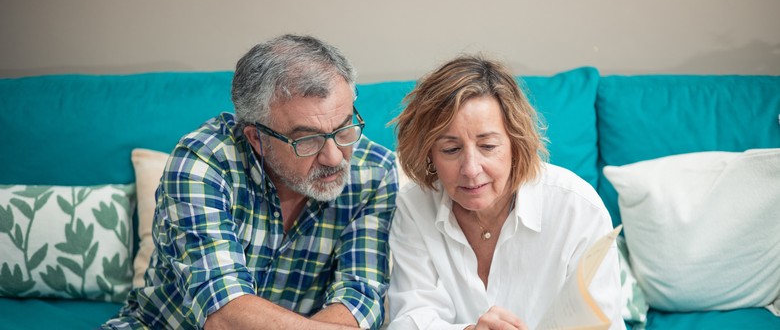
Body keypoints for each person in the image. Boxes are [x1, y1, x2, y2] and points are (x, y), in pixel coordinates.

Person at [103, 34, 398, 330]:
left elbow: (360, 297)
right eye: (308, 140)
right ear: (257, 138)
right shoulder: (202, 163)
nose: (334, 158)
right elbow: (224, 315)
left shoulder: (375, 172)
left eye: (345, 127)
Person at [386, 55, 624, 330]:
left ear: (516, 143)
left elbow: (603, 324)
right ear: (429, 154)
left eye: (488, 146)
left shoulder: (578, 208)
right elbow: (408, 319)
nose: (471, 169)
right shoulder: (414, 206)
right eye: (451, 150)